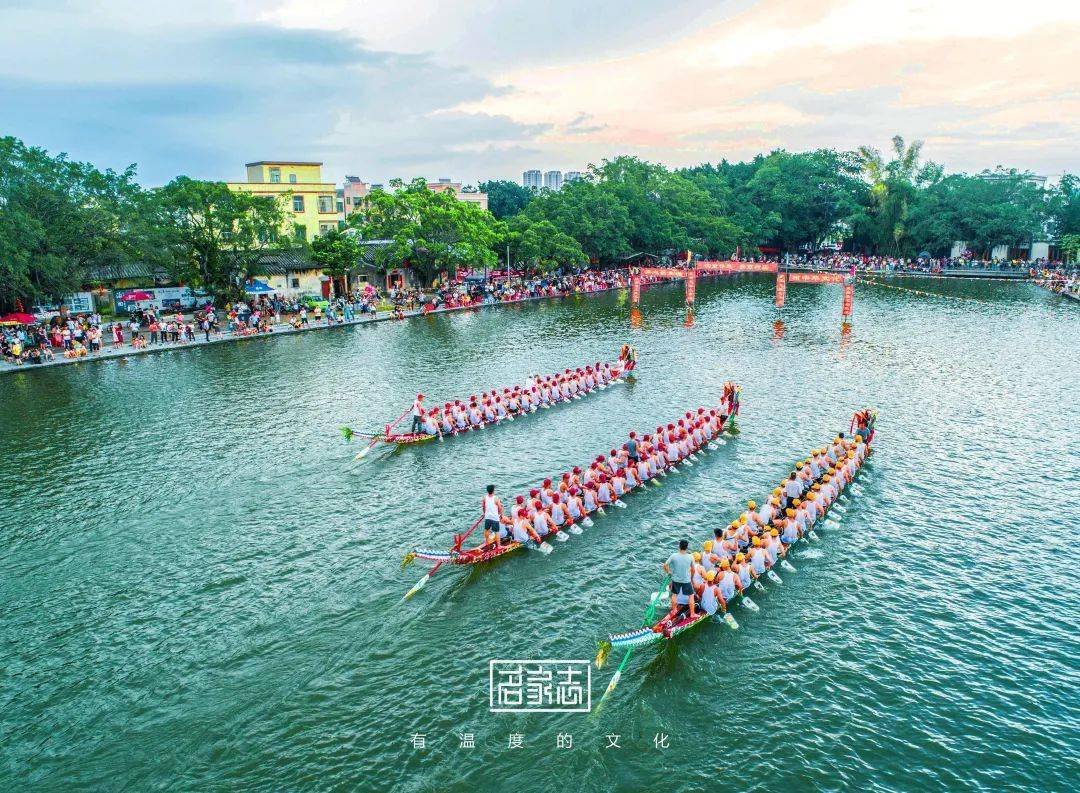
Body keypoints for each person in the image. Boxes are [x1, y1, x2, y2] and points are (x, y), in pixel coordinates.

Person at [663, 539, 696, 621]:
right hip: (686, 580)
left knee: (674, 595)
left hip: (675, 580)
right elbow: (693, 570)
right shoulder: (690, 557)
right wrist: (691, 579)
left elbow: (665, 565)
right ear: (687, 547)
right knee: (691, 596)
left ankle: (674, 610)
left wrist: (669, 572)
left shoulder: (674, 556)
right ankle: (692, 614)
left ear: (679, 546)